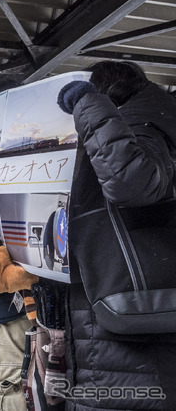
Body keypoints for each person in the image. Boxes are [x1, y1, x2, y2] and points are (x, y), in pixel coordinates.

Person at [57, 61, 176, 410]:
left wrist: (87, 104)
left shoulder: (148, 125)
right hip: (111, 330)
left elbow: (131, 181)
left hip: (137, 340)